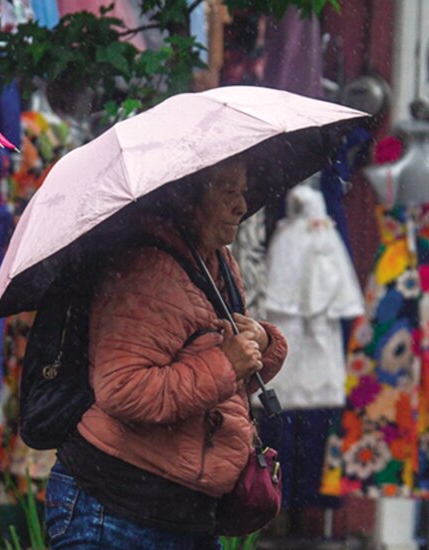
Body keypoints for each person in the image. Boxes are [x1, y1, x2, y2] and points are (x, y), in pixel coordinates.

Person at [45, 159, 287, 549]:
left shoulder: (215, 261)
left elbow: (213, 361)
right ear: (187, 196)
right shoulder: (149, 271)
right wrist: (225, 363)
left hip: (183, 515)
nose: (241, 205)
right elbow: (122, 388)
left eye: (242, 190)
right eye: (227, 191)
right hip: (117, 512)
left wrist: (262, 344)